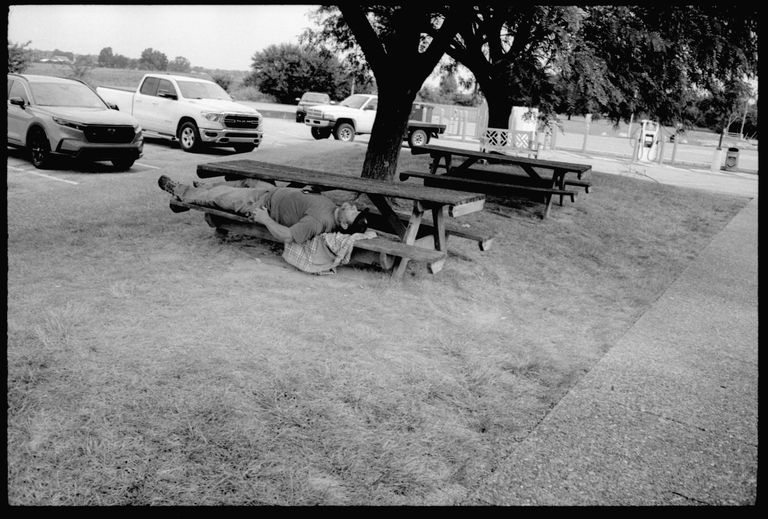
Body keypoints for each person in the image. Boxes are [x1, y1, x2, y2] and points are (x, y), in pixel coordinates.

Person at [158, 175, 368, 244]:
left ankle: (179, 191)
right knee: (246, 179)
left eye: (354, 212)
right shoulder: (333, 208)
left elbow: (288, 236)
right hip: (271, 192)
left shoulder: (318, 222)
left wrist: (265, 219)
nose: (354, 207)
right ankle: (205, 188)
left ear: (343, 224)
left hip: (260, 205)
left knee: (220, 196)